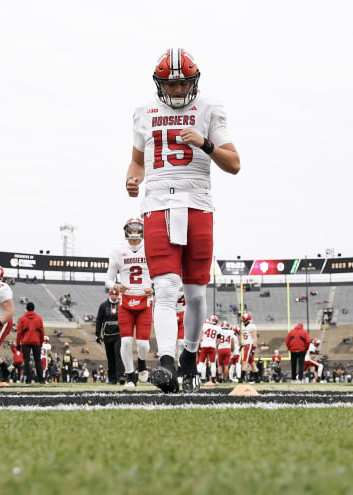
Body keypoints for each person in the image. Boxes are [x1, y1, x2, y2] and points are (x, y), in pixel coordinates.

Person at [126, 48, 240, 393]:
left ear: (194, 82)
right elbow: (137, 163)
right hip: (158, 203)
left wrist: (205, 143)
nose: (177, 90)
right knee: (165, 288)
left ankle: (189, 358)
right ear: (160, 84)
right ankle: (166, 364)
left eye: (183, 84)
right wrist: (132, 179)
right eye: (171, 85)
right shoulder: (143, 112)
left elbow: (234, 163)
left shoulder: (209, 109)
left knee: (194, 293)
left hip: (197, 203)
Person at [105, 218, 153, 387]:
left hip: (145, 301)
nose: (134, 232)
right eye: (131, 229)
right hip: (125, 301)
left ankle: (141, 362)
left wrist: (153, 288)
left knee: (143, 344)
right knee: (125, 341)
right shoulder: (119, 250)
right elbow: (108, 281)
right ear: (126, 230)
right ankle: (130, 374)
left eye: (137, 228)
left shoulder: (150, 248)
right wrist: (118, 286)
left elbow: (159, 274)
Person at [95, 289, 125, 384]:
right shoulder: (103, 306)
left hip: (119, 335)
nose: (114, 297)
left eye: (116, 295)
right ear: (110, 295)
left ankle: (120, 376)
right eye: (113, 295)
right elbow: (99, 320)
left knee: (118, 354)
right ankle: (112, 379)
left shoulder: (122, 304)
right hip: (107, 335)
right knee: (110, 357)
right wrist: (98, 334)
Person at [16, 302, 45, 384]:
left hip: (25, 342)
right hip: (36, 342)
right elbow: (42, 331)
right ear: (34, 308)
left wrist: (18, 344)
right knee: (37, 360)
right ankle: (41, 379)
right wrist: (41, 342)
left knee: (26, 361)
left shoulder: (22, 318)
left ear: (26, 308)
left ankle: (28, 379)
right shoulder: (39, 318)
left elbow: (19, 332)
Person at [198, 316, 219, 383]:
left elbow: (200, 335)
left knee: (201, 362)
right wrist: (215, 345)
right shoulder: (218, 328)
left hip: (204, 345)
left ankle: (197, 377)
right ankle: (213, 378)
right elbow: (218, 340)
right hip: (212, 346)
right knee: (213, 363)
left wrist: (200, 343)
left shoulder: (204, 325)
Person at [240, 313, 259, 383]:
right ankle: (257, 379)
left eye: (243, 319)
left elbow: (255, 338)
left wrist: (253, 348)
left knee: (244, 362)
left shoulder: (252, 326)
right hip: (246, 345)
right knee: (252, 363)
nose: (242, 320)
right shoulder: (243, 327)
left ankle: (241, 379)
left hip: (250, 346)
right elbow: (246, 338)